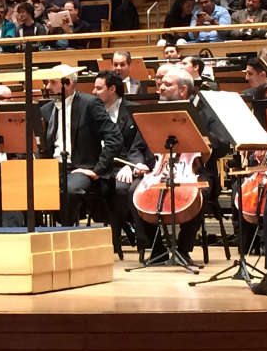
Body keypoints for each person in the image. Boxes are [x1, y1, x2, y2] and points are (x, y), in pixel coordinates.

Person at [140, 67, 229, 264]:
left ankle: (183, 249)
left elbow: (223, 145)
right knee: (132, 193)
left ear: (183, 90)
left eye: (167, 84)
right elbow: (139, 144)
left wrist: (198, 135)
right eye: (160, 83)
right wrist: (139, 164)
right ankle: (158, 250)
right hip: (160, 169)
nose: (160, 87)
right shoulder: (155, 112)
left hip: (197, 170)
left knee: (196, 193)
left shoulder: (206, 113)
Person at [40, 64, 122, 226]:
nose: (48, 87)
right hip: (51, 167)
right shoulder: (46, 109)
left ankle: (66, 233)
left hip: (80, 167)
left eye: (52, 82)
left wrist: (97, 170)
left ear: (68, 83)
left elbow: (114, 137)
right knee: (24, 189)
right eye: (47, 82)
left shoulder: (89, 103)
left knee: (70, 191)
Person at [92, 70, 152, 258]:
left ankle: (132, 236)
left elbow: (138, 145)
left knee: (121, 189)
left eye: (99, 88)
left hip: (126, 165)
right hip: (100, 165)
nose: (94, 92)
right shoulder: (93, 111)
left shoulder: (133, 110)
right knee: (87, 190)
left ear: (112, 89)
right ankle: (118, 227)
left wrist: (131, 165)